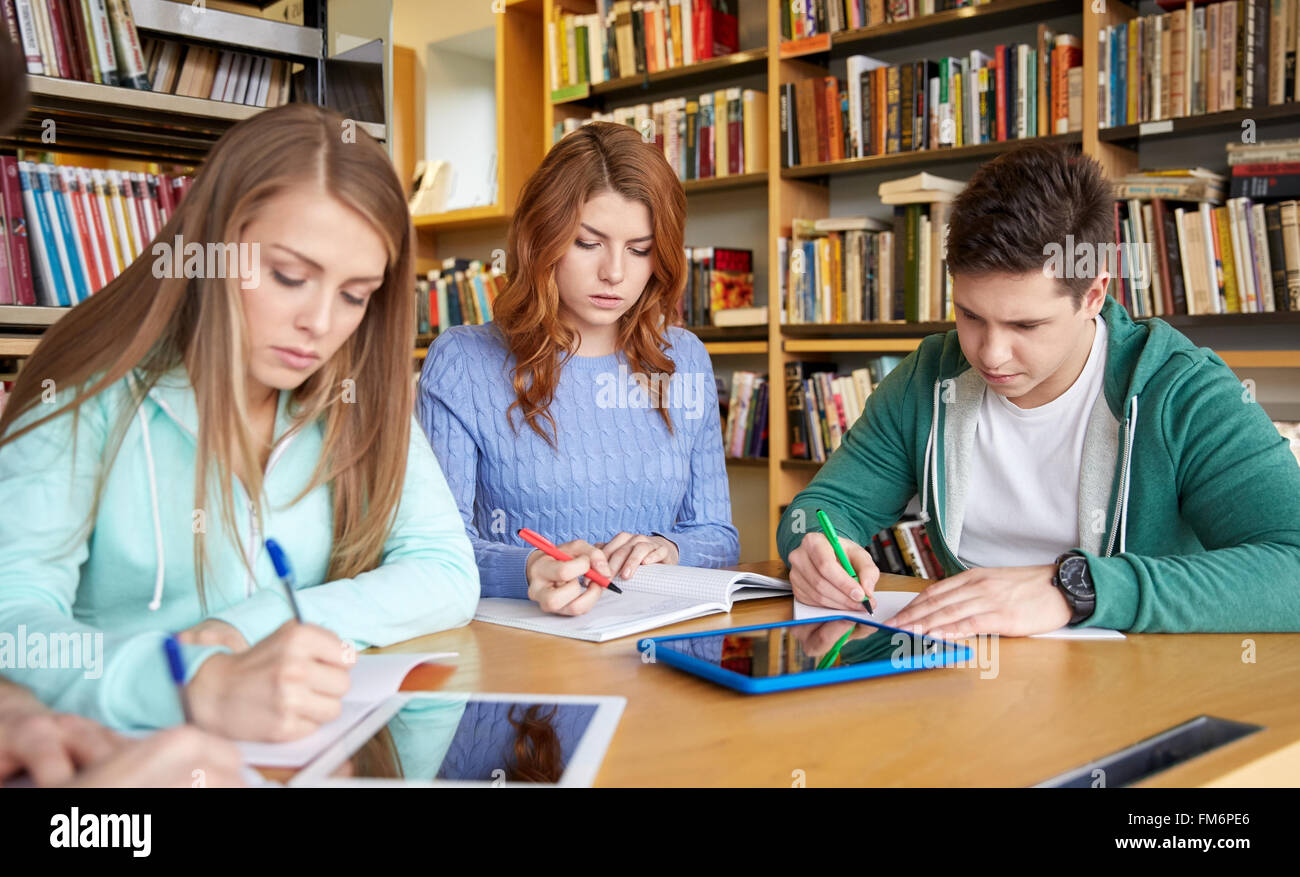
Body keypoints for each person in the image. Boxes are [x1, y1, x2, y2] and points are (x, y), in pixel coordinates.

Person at [0, 102, 480, 741]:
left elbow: (445, 570)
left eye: (354, 295)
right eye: (288, 276)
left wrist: (248, 630)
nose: (320, 323)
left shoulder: (358, 393)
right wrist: (191, 683)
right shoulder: (88, 397)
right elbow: (14, 621)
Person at [778, 143, 1300, 636]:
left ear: (1093, 293)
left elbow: (1292, 566)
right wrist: (818, 544)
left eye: (1026, 326)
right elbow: (823, 506)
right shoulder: (927, 378)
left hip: (1137, 693)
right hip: (966, 684)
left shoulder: (1181, 391)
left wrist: (1077, 592)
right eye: (970, 315)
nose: (989, 353)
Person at [418, 121, 739, 615]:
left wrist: (671, 550)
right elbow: (437, 550)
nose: (615, 272)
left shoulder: (685, 357)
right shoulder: (462, 361)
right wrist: (528, 567)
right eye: (588, 243)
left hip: (656, 649)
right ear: (542, 237)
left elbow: (717, 536)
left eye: (640, 249)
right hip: (524, 655)